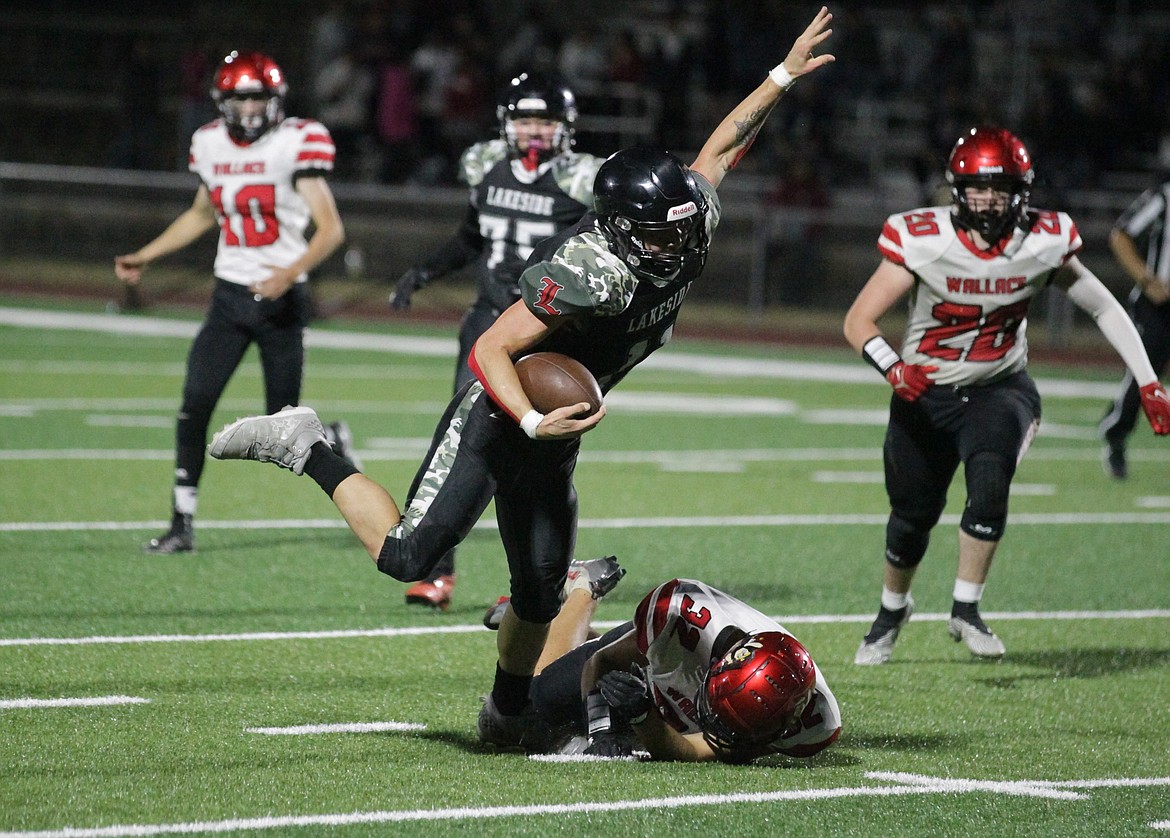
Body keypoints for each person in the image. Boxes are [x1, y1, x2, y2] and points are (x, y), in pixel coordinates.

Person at [206, 8, 836, 746]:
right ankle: (307, 445)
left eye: (685, 225)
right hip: (504, 412)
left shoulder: (685, 222)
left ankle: (505, 712)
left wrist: (783, 74)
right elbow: (492, 351)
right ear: (626, 231)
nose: (684, 240)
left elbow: (724, 144)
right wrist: (532, 421)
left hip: (556, 425)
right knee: (411, 554)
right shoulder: (592, 268)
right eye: (665, 233)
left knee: (537, 594)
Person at [844, 125, 1170, 666]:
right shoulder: (924, 237)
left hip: (1001, 388)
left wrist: (1148, 381)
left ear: (1022, 192)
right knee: (911, 517)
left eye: (1001, 189)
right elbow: (859, 320)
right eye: (978, 188)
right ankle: (891, 610)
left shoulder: (1042, 240)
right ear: (957, 189)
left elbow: (1106, 307)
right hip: (924, 392)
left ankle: (966, 608)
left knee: (990, 482)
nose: (989, 200)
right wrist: (894, 369)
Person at [114, 51, 357, 555]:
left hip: (282, 300)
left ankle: (331, 435)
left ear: (276, 101)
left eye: (258, 97)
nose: (249, 108)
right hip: (228, 296)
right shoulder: (207, 143)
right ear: (223, 101)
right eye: (241, 97)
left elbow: (332, 230)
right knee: (194, 405)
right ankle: (181, 522)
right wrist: (146, 254)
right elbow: (202, 213)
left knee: (283, 424)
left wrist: (287, 274)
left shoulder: (297, 141)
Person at [387, 71, 606, 611]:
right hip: (490, 321)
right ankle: (436, 570)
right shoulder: (484, 166)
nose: (535, 131)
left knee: (541, 458)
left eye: (546, 121)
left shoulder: (584, 179)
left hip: (546, 328)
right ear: (507, 124)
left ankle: (536, 581)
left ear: (565, 127)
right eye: (525, 119)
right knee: (461, 438)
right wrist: (425, 271)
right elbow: (470, 237)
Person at [506, 570, 841, 762]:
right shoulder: (678, 622)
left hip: (679, 679)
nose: (720, 732)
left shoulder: (814, 726)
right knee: (537, 704)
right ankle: (583, 587)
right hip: (661, 659)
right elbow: (603, 661)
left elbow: (694, 749)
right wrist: (602, 730)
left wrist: (643, 716)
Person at [1097, 179, 1170, 479]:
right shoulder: (1164, 195)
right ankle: (1116, 434)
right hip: (1159, 307)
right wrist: (1147, 280)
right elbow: (1121, 235)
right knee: (1145, 375)